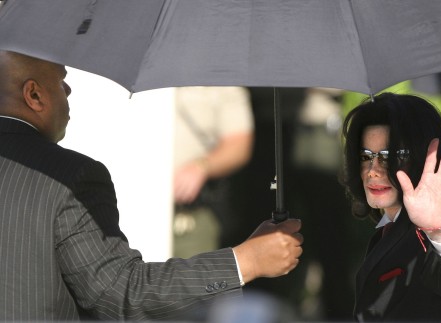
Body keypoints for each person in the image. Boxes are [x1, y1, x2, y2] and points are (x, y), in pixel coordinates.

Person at [0, 50, 303, 321]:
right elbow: (120, 296)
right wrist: (245, 261)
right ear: (34, 95)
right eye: (61, 80)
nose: (68, 89)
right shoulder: (70, 176)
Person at [341, 92, 441, 322]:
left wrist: (439, 230)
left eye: (389, 156)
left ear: (423, 157)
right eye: (366, 156)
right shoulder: (386, 232)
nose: (373, 170)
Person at [173, 86, 253, 258]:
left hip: (189, 215)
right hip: (122, 212)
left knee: (194, 281)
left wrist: (201, 166)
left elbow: (239, 144)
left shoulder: (221, 79)